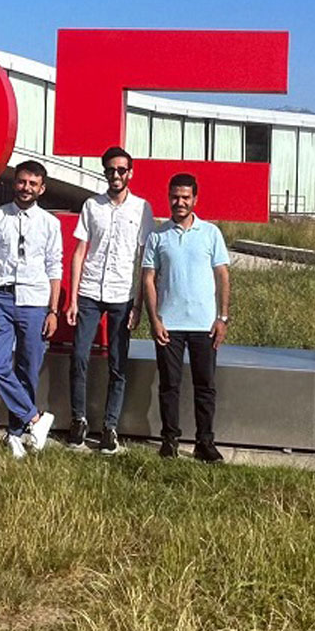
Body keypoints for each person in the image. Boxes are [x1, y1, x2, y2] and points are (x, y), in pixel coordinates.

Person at [63, 145, 154, 453]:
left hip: (122, 295)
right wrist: (73, 299)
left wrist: (139, 305)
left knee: (118, 363)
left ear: (130, 172)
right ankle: (79, 419)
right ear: (104, 172)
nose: (116, 175)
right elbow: (79, 253)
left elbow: (144, 259)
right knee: (79, 357)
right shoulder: (92, 205)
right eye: (110, 170)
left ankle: (110, 427)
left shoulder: (142, 208)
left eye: (121, 170)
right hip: (89, 292)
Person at [0, 160, 61, 458]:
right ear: (16, 182)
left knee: (28, 369)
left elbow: (54, 266)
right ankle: (36, 418)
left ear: (42, 188)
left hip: (35, 302)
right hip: (1, 297)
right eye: (22, 182)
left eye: (33, 184)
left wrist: (53, 310)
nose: (26, 188)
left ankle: (15, 433)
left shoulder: (50, 223)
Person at [143, 173, 230, 463]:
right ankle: (169, 440)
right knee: (169, 385)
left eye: (185, 197)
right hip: (169, 325)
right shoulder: (157, 235)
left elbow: (222, 276)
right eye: (174, 197)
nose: (179, 202)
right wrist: (155, 319)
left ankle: (205, 443)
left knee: (205, 386)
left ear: (195, 199)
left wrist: (223, 318)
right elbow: (148, 279)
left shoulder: (210, 233)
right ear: (168, 197)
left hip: (204, 325)